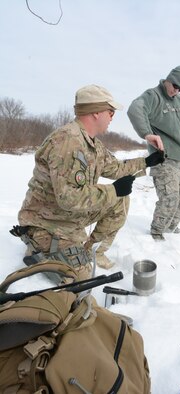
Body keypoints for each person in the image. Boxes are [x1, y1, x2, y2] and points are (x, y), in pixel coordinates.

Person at [11, 84, 164, 277]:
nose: (112, 117)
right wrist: (113, 190)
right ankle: (39, 248)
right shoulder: (68, 141)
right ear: (95, 112)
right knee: (80, 277)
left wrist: (147, 161)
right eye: (110, 111)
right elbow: (67, 198)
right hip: (47, 222)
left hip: (69, 215)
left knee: (120, 200)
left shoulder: (92, 144)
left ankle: (91, 251)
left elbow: (115, 168)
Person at [127, 65, 180, 241]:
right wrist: (147, 133)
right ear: (169, 79)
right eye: (175, 86)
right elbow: (135, 109)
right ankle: (157, 232)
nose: (176, 91)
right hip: (165, 158)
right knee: (170, 198)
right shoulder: (153, 96)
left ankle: (171, 227)